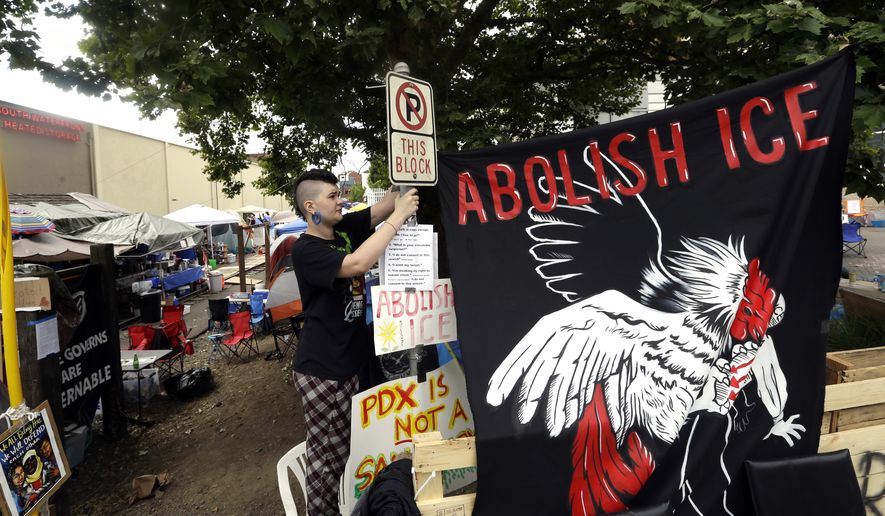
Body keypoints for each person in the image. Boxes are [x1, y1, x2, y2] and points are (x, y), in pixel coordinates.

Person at [289, 168, 418, 515]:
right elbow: (359, 262)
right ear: (310, 206)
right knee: (325, 462)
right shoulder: (306, 249)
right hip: (323, 369)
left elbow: (383, 207)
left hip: (349, 362)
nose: (341, 200)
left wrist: (402, 181)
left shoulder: (342, 228)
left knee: (346, 449)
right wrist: (401, 215)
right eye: (333, 196)